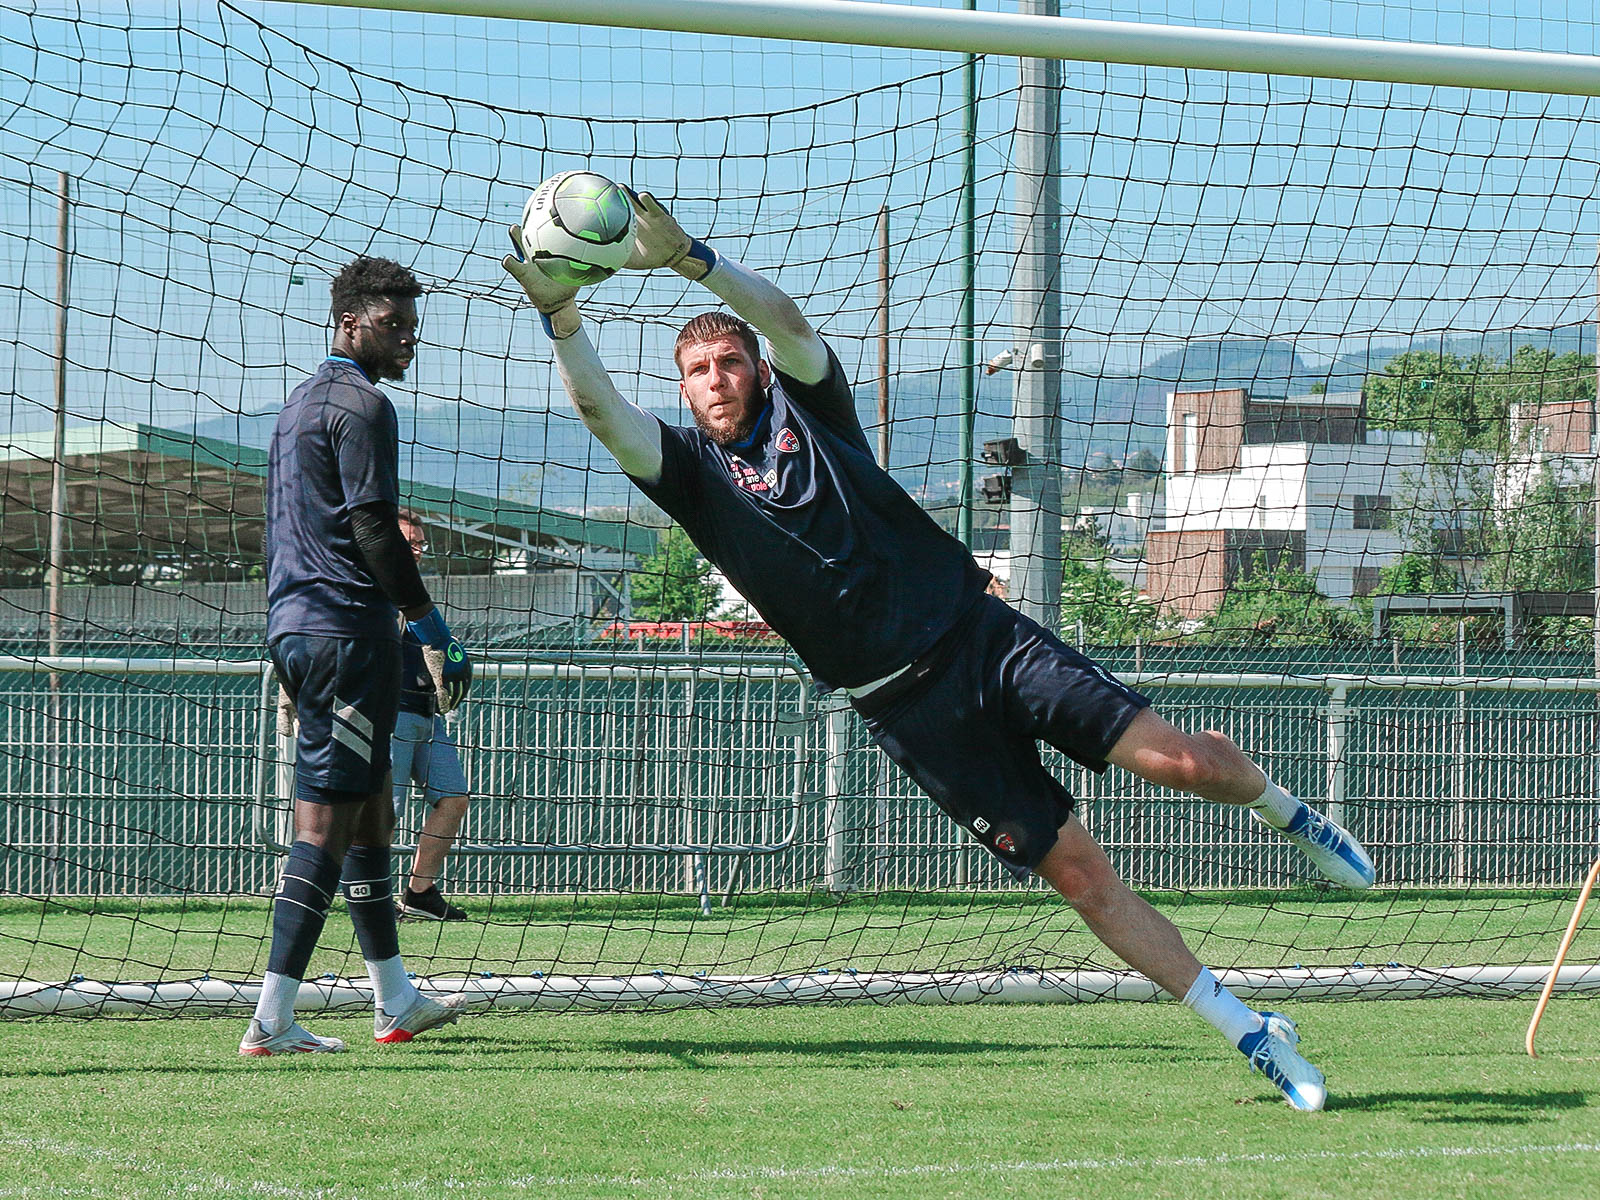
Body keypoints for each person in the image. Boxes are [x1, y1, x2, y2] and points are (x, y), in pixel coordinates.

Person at [499, 192, 1377, 1113]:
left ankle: (1292, 816)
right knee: (1078, 876)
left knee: (1180, 761)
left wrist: (693, 260)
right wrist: (561, 317)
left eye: (728, 362)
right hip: (904, 709)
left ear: (755, 372)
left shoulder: (817, 416)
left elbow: (788, 322)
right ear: (682, 390)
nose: (715, 378)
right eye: (697, 370)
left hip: (980, 637)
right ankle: (1248, 1030)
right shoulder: (691, 478)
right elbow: (602, 414)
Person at [247, 256, 473, 1055]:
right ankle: (272, 1018)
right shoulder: (363, 405)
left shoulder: (296, 405)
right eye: (394, 325)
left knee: (372, 808)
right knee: (324, 828)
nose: (407, 341)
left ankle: (396, 998)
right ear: (349, 322)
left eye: (413, 328)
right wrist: (432, 629)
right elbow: (374, 527)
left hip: (304, 628)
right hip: (345, 634)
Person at [391, 508, 472, 921]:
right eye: (410, 544)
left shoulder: (414, 591)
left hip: (426, 713)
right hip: (389, 716)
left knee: (454, 798)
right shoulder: (372, 586)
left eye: (421, 544)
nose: (418, 551)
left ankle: (419, 894)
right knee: (384, 812)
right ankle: (358, 893)